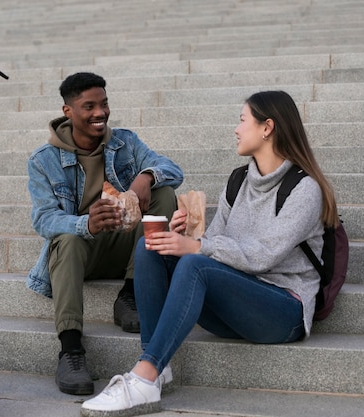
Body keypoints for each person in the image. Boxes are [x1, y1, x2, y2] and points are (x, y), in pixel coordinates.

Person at [80, 90, 339, 416]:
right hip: (236, 303)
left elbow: (264, 255)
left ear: (267, 127)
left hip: (282, 311)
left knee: (194, 265)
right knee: (152, 246)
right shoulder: (239, 180)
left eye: (242, 120)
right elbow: (215, 243)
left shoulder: (304, 188)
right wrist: (185, 236)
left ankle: (144, 376)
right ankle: (158, 365)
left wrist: (197, 247)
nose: (236, 128)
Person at [26, 72, 184, 396]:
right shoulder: (44, 160)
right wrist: (85, 224)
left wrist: (146, 176)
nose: (100, 112)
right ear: (68, 112)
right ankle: (70, 351)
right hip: (82, 252)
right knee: (67, 239)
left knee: (165, 194)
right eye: (89, 106)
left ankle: (131, 293)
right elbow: (43, 219)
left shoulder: (125, 142)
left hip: (127, 246)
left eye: (104, 103)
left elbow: (173, 169)